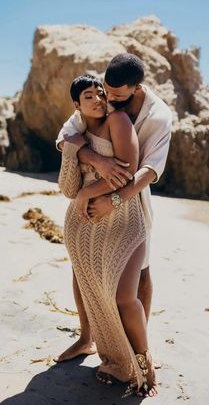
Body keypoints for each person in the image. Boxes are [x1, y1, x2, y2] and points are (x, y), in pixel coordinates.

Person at [58, 73, 157, 396]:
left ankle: (144, 362)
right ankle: (109, 354)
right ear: (77, 105)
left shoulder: (118, 119)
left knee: (123, 296)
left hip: (123, 217)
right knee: (94, 292)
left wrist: (88, 194)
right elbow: (68, 187)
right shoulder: (76, 131)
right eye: (89, 96)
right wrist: (75, 153)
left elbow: (127, 171)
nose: (99, 99)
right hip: (84, 225)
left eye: (101, 93)